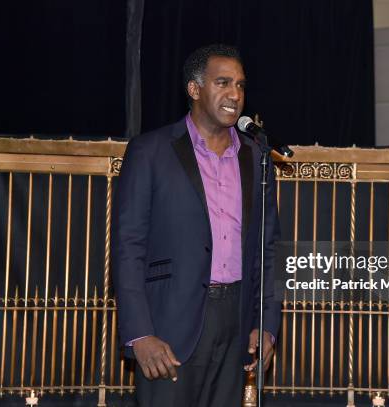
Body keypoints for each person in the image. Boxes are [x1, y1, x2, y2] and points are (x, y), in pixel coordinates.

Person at [114, 44, 281, 407]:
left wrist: (266, 325)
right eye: (222, 83)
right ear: (194, 89)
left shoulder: (256, 156)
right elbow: (128, 247)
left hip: (237, 324)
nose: (234, 94)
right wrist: (140, 334)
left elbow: (267, 249)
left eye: (240, 85)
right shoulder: (150, 151)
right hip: (170, 324)